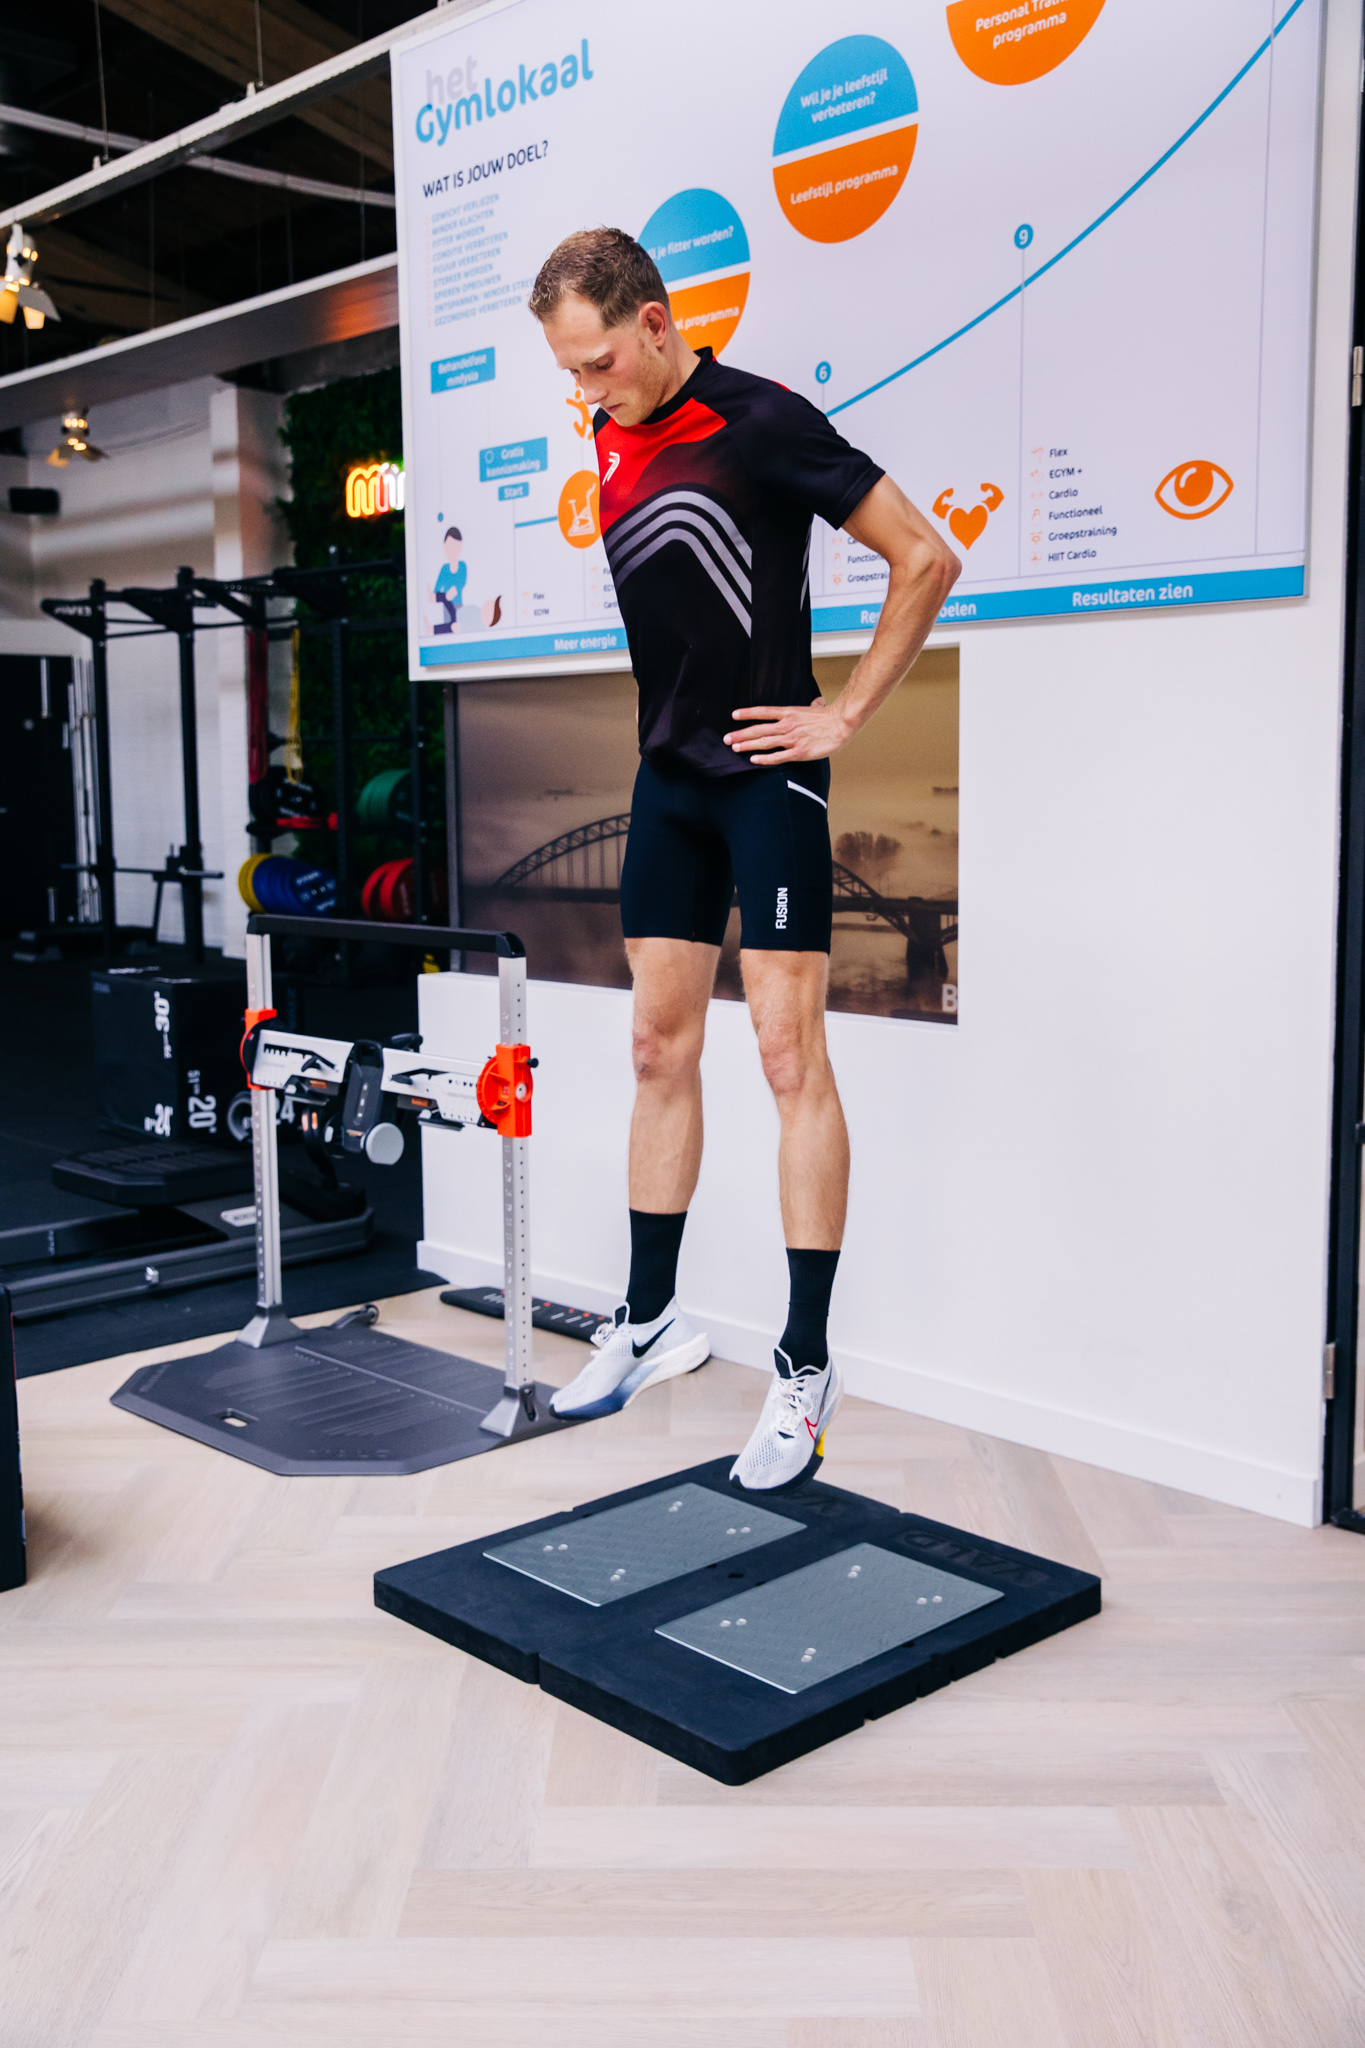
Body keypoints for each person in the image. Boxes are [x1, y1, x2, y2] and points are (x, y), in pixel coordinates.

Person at [530, 228, 959, 1490]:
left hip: (769, 778)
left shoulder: (762, 421)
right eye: (569, 373)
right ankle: (650, 1319)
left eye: (600, 362)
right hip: (667, 779)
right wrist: (601, 402)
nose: (587, 390)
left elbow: (926, 554)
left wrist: (845, 715)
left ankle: (805, 1366)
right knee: (655, 1048)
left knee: (786, 1056)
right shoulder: (611, 426)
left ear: (656, 323)